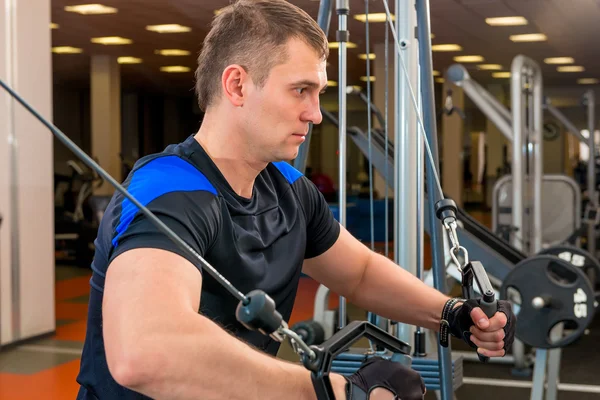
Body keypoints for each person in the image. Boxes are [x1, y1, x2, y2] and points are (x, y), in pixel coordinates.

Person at [75, 1, 516, 399]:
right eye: (300, 90)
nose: (315, 113)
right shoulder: (169, 192)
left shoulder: (285, 185)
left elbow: (358, 273)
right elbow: (144, 354)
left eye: (318, 93)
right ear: (237, 85)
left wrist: (452, 314)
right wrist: (336, 392)